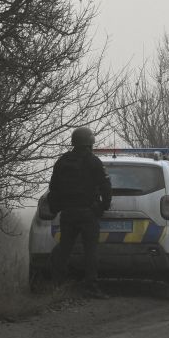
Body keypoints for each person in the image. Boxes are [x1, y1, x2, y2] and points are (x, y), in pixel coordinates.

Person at [48, 126, 112, 298]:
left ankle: (57, 286)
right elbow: (106, 186)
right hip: (87, 213)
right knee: (90, 250)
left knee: (64, 249)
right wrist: (103, 207)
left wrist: (55, 209)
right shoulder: (93, 161)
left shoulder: (62, 161)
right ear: (90, 142)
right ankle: (90, 286)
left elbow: (53, 188)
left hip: (68, 213)